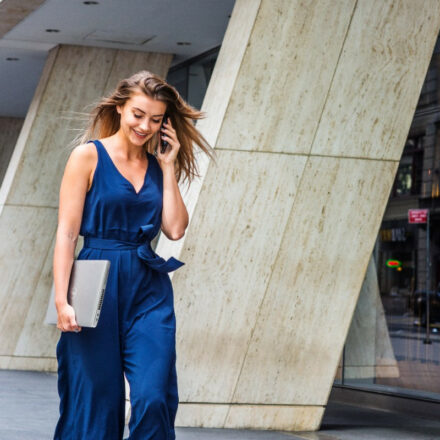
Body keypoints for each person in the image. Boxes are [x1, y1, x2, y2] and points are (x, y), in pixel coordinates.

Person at [52, 70, 215, 440]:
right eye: (138, 114)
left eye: (156, 119)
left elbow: (174, 229)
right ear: (121, 107)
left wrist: (170, 166)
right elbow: (66, 233)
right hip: (93, 282)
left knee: (153, 396)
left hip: (148, 287)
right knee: (96, 399)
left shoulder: (160, 166)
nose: (145, 126)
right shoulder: (87, 157)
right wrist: (62, 299)